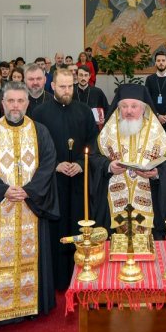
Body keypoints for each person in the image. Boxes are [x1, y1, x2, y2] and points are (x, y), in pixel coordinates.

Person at [0, 82, 59, 326]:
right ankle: (1, 307)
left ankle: (32, 305)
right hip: (0, 207)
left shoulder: (40, 131)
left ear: (27, 103)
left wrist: (29, 191)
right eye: (11, 101)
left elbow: (48, 163)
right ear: (3, 103)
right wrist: (4, 190)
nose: (16, 106)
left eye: (21, 101)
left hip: (31, 205)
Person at [31, 69, 99, 291]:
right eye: (62, 86)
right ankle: (55, 278)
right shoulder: (39, 113)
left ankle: (81, 272)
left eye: (70, 86)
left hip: (78, 180)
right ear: (52, 86)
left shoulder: (84, 111)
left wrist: (80, 163)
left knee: (79, 224)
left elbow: (93, 142)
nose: (67, 90)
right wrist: (55, 165)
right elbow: (34, 148)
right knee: (55, 228)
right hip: (52, 182)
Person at [95, 83, 166, 239]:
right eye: (124, 106)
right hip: (114, 204)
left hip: (149, 201)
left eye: (134, 106)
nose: (128, 111)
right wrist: (108, 166)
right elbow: (94, 159)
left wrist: (157, 173)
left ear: (143, 109)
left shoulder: (157, 132)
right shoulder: (107, 132)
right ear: (118, 108)